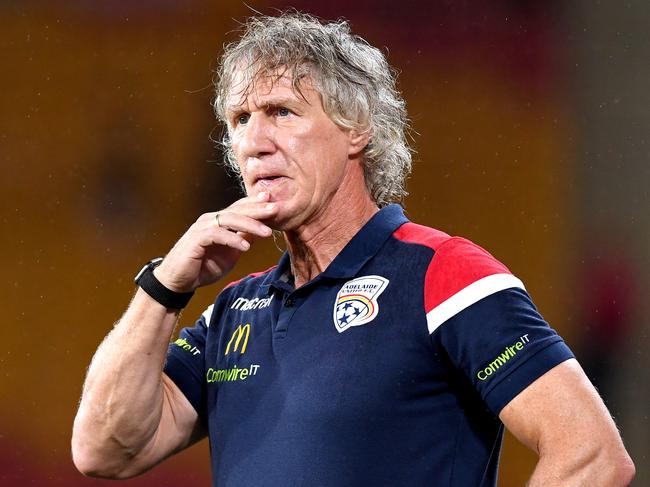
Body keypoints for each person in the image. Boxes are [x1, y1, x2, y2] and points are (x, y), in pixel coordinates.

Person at [71, 12, 635, 487]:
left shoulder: (444, 275)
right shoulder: (230, 315)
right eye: (240, 120)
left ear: (356, 128)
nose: (254, 142)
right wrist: (164, 288)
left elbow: (591, 455)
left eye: (281, 112)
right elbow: (105, 449)